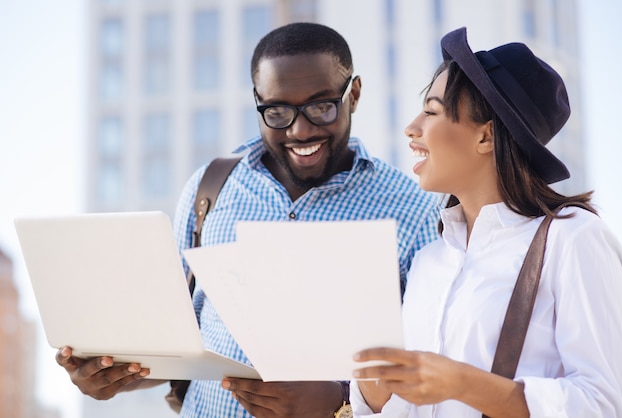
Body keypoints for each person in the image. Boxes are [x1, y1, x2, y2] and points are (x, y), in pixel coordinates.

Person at [55, 22, 440, 417]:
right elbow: (177, 343)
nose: (300, 130)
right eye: (277, 111)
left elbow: (436, 365)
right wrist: (115, 373)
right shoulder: (210, 188)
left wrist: (339, 400)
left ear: (353, 94)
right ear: (257, 100)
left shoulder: (414, 208)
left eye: (321, 107)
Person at [350, 27, 622, 417]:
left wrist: (464, 383)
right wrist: (373, 392)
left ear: (486, 136)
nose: (412, 128)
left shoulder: (574, 238)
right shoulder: (430, 260)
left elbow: (604, 405)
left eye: (430, 111)